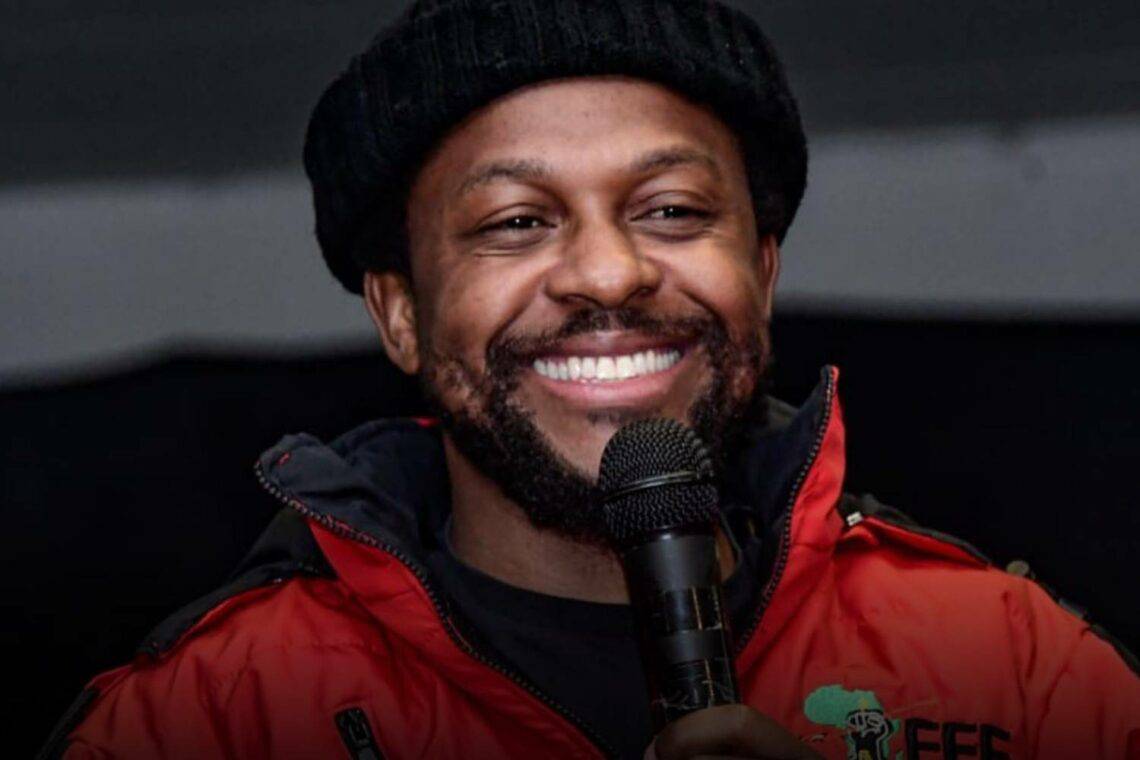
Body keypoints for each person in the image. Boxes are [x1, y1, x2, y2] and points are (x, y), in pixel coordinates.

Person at [40, 0, 1140, 758]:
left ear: (762, 274)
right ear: (402, 314)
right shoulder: (212, 716)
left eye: (672, 210)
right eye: (517, 222)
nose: (610, 273)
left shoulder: (1015, 667)